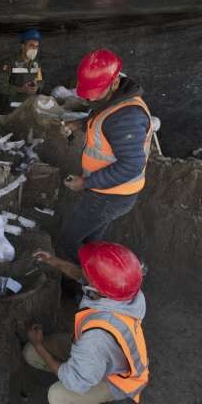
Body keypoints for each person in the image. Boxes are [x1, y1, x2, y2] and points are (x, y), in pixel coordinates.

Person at [26, 242, 149, 404]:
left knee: (58, 397)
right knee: (30, 354)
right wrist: (52, 260)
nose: (85, 276)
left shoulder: (96, 340)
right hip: (100, 357)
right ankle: (82, 374)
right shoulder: (124, 290)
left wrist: (39, 344)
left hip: (116, 378)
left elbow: (74, 382)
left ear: (99, 290)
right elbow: (84, 277)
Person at [57, 48, 153, 263]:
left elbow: (131, 164)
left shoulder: (126, 116)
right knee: (93, 239)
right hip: (109, 191)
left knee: (67, 240)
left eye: (95, 90)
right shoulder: (113, 100)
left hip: (110, 195)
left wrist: (86, 182)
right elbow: (104, 122)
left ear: (115, 82)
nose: (90, 96)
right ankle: (94, 278)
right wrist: (80, 124)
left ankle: (75, 287)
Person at [0, 28, 43, 112]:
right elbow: (0, 87)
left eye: (36, 46)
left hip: (31, 107)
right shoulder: (10, 63)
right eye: (31, 45)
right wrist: (20, 89)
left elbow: (40, 80)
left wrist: (37, 87)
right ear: (23, 46)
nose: (34, 49)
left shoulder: (36, 63)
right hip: (13, 108)